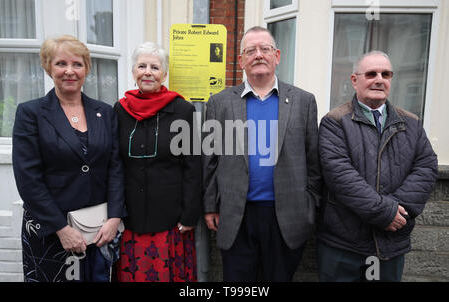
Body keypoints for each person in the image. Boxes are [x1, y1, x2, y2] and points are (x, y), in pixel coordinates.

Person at [202, 26, 321, 281]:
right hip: (236, 216)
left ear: (277, 56)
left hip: (286, 217)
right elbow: (210, 160)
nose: (258, 55)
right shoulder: (220, 103)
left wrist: (310, 207)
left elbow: (314, 161)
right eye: (251, 50)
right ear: (241, 60)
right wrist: (210, 204)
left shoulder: (303, 101)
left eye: (264, 49)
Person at [12, 35, 126, 282]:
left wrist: (115, 217)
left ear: (86, 68)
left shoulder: (104, 112)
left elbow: (115, 167)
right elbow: (28, 179)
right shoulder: (31, 113)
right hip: (50, 231)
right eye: (61, 64)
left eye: (77, 64)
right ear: (48, 67)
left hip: (98, 230)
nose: (70, 71)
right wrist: (61, 229)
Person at [317, 51, 438, 282]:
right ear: (355, 80)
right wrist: (386, 212)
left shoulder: (411, 123)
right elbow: (340, 176)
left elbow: (427, 168)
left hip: (390, 244)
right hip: (343, 246)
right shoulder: (334, 122)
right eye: (371, 74)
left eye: (386, 74)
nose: (379, 79)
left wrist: (397, 210)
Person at [114, 42, 202, 282]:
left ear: (164, 74)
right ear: (133, 72)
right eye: (141, 66)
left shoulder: (183, 110)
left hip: (171, 220)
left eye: (155, 67)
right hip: (129, 218)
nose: (147, 72)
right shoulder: (120, 110)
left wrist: (190, 215)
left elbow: (193, 166)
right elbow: (114, 164)